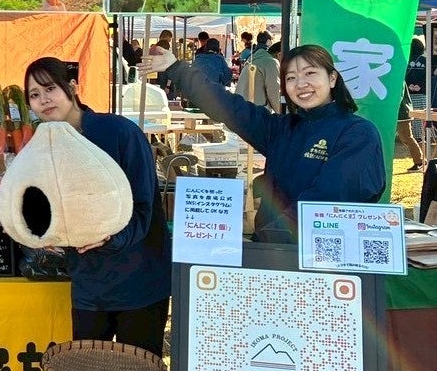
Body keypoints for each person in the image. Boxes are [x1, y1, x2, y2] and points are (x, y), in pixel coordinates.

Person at [143, 43, 386, 243]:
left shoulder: (357, 134)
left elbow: (327, 201)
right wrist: (176, 68)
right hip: (271, 254)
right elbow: (229, 107)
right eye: (291, 77)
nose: (301, 84)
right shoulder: (283, 128)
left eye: (310, 73)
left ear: (332, 78)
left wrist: (267, 241)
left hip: (322, 259)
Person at [24, 57, 171, 357]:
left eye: (50, 89)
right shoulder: (44, 148)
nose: (44, 100)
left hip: (138, 282)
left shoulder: (119, 132)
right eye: (34, 95)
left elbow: (145, 208)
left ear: (73, 87)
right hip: (89, 287)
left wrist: (111, 238)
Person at [235, 31, 281, 112]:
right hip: (256, 112)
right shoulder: (271, 62)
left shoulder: (252, 58)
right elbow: (274, 92)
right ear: (279, 55)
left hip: (240, 109)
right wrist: (282, 113)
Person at [396, 81, 426, 171]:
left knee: (406, 137)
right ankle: (419, 160)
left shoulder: (398, 79)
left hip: (401, 113)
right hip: (398, 113)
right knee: (406, 138)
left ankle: (420, 161)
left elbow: (399, 97)